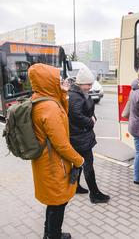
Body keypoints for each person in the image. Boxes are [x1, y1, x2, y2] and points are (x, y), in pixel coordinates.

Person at [29, 63, 84, 239]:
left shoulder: (40, 99)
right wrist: (79, 160)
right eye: (56, 78)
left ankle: (49, 234)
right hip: (54, 163)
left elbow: (62, 114)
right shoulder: (49, 108)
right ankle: (53, 235)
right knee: (58, 203)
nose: (60, 80)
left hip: (45, 161)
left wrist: (63, 93)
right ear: (47, 81)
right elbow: (62, 144)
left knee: (54, 202)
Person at [68, 67, 110, 203]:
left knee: (78, 163)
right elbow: (76, 115)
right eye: (88, 84)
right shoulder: (75, 96)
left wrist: (93, 117)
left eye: (91, 84)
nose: (90, 87)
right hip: (80, 137)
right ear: (80, 83)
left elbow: (88, 109)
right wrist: (90, 121)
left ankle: (76, 187)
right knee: (88, 165)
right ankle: (94, 194)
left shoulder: (80, 93)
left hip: (81, 136)